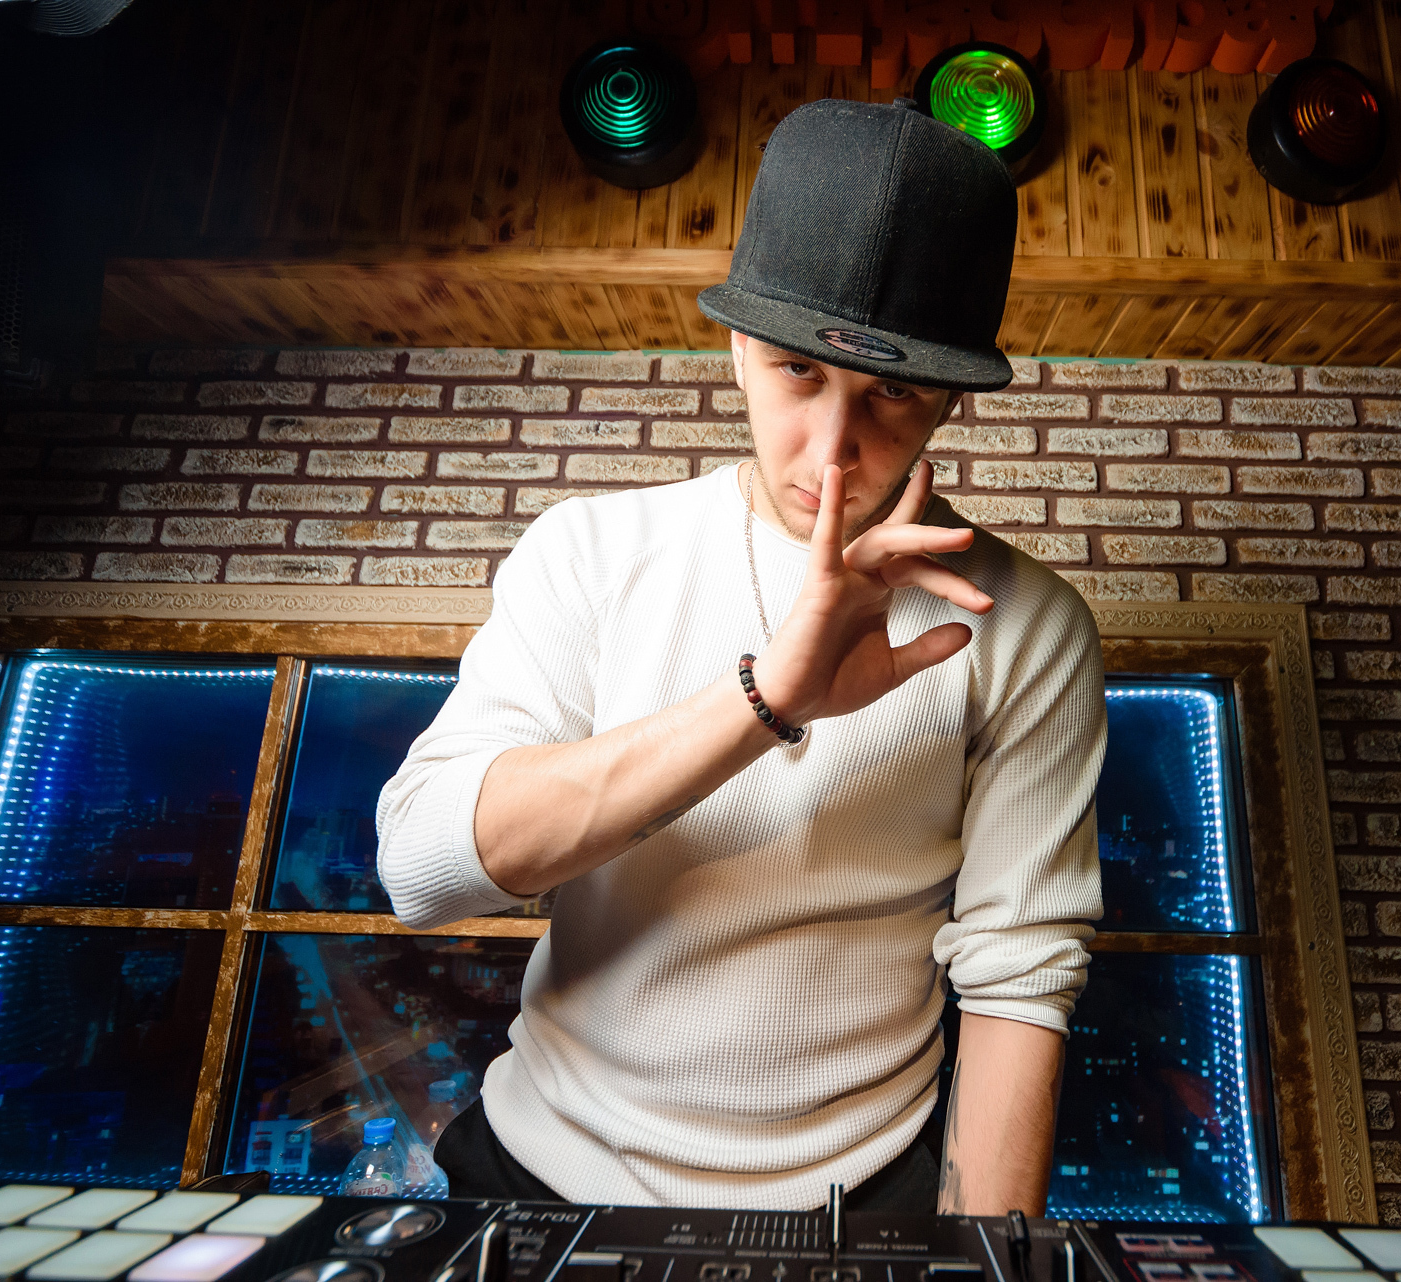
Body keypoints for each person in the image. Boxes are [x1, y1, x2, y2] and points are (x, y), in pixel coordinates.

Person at [377, 97, 1105, 1215]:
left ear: (952, 400)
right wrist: (767, 698)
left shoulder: (1030, 624)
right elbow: (422, 870)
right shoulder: (592, 549)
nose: (832, 450)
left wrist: (984, 1262)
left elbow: (1021, 978)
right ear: (735, 347)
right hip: (542, 1167)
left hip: (862, 1199)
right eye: (797, 371)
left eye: (891, 392)